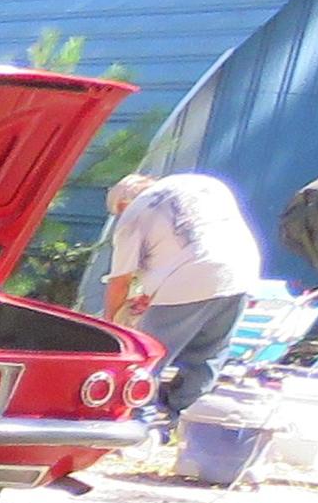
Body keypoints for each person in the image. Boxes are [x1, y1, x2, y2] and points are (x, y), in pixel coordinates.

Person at [103, 169, 265, 424]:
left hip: (188, 281)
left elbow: (120, 281)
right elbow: (192, 243)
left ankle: (139, 421)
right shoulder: (202, 184)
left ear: (123, 204)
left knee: (146, 357)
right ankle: (184, 420)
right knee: (207, 355)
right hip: (241, 272)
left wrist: (111, 330)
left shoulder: (133, 215)